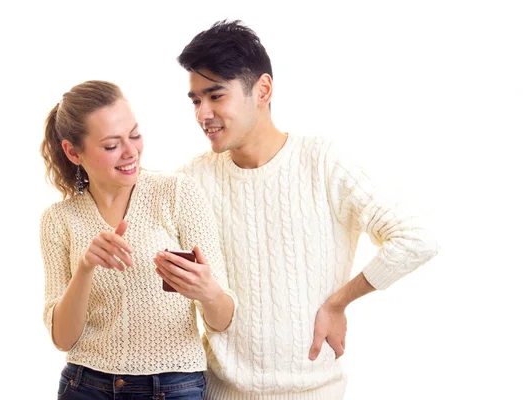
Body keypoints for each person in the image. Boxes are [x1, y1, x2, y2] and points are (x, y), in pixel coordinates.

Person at [170, 20, 439, 399]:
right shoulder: (190, 179)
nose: (203, 114)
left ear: (262, 90)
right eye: (196, 100)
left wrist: (338, 302)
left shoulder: (324, 162)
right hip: (218, 392)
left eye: (216, 96)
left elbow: (416, 240)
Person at [39, 80, 236, 400]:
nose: (131, 152)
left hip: (173, 387)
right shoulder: (59, 220)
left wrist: (207, 291)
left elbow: (223, 319)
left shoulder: (177, 193)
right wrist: (85, 267)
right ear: (73, 152)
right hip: (85, 386)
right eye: (111, 145)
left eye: (134, 135)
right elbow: (63, 339)